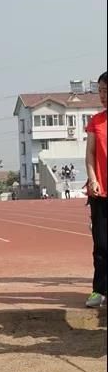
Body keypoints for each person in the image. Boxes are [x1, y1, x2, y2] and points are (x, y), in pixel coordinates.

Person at [85, 71, 107, 308]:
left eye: (107, 91)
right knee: (101, 243)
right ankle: (99, 290)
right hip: (100, 192)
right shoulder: (96, 121)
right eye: (100, 90)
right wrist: (93, 179)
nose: (103, 96)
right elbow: (90, 155)